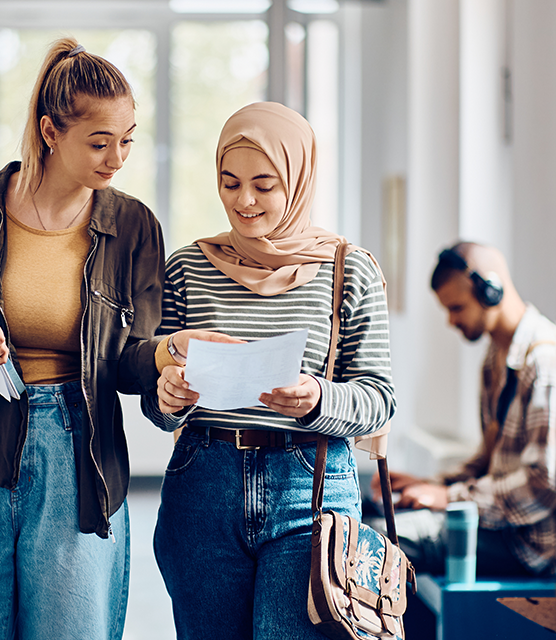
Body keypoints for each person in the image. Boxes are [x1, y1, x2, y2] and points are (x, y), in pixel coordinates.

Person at [0, 39, 167, 638]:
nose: (117, 157)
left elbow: (131, 360)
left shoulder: (133, 225)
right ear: (49, 130)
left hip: (79, 449)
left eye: (127, 139)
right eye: (99, 142)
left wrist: (170, 360)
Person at [144, 101, 395, 639]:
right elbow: (155, 400)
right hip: (203, 482)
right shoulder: (186, 268)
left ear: (299, 179)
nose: (245, 200)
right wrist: (168, 396)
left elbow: (380, 397)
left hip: (310, 486)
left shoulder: (349, 270)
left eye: (265, 183)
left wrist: (317, 400)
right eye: (230, 183)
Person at [380, 242, 556, 576]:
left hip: (524, 543)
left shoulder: (543, 364)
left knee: (381, 539)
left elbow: (539, 489)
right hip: (498, 523)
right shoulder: (498, 358)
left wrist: (448, 497)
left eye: (457, 307)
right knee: (374, 513)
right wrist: (428, 485)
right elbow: (489, 461)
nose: (451, 321)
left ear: (490, 291)